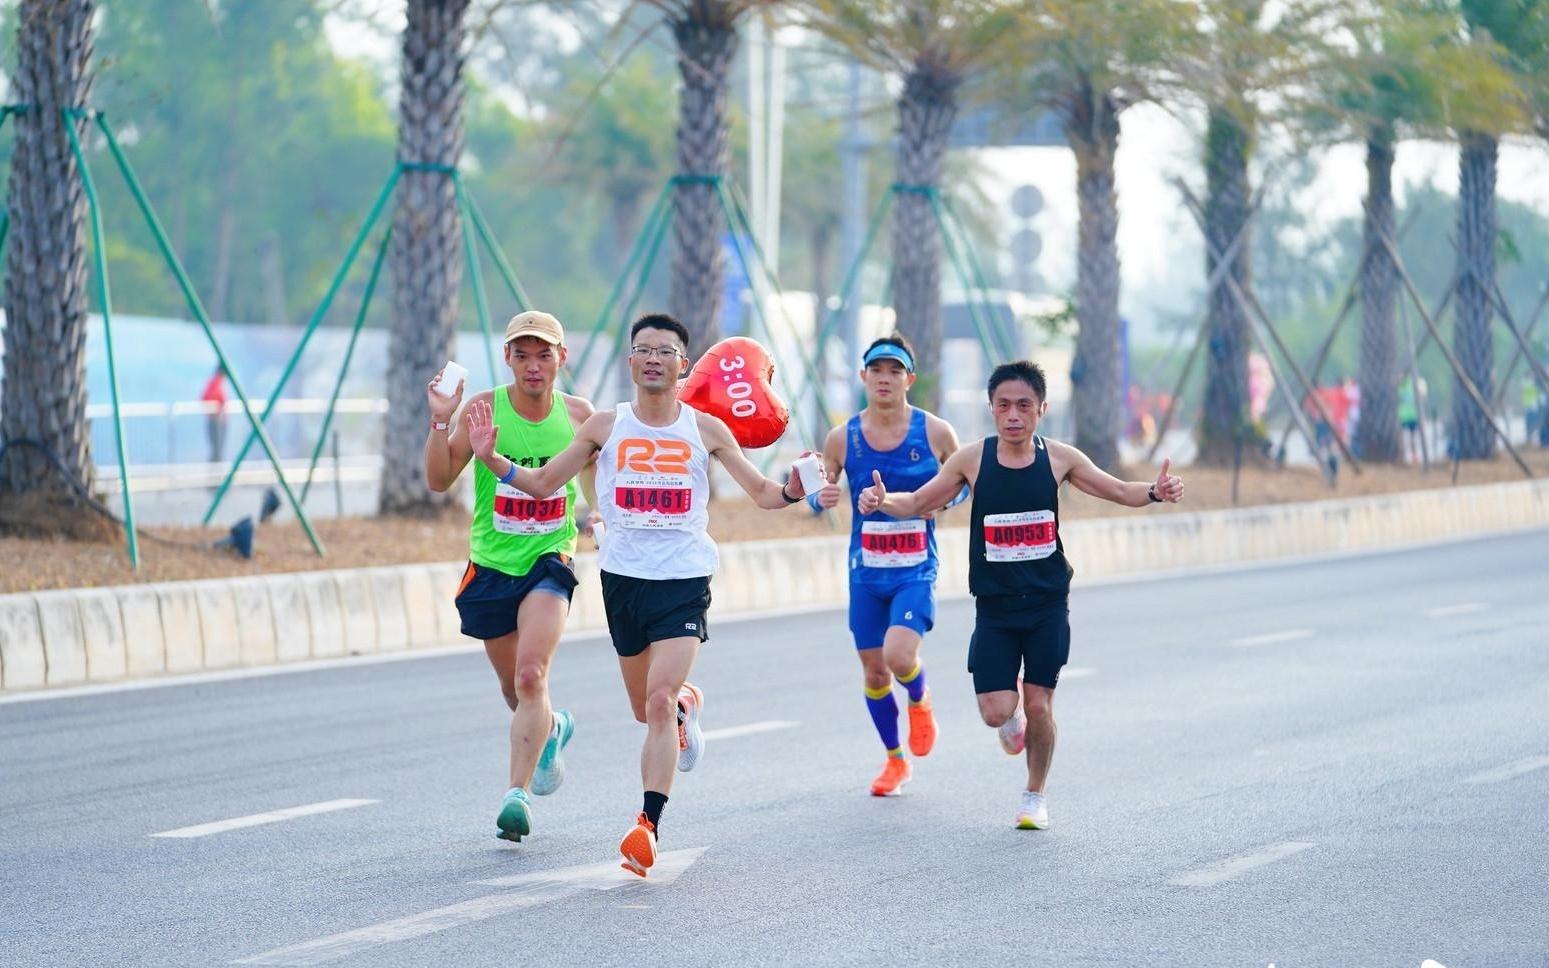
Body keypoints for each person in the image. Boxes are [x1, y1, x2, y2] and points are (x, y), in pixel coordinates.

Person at [466, 312, 840, 876]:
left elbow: (764, 493)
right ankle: (687, 706)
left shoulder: (706, 430)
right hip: (624, 580)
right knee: (646, 709)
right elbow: (543, 485)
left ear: (683, 365)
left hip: (684, 580)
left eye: (665, 351)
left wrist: (795, 489)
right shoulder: (604, 426)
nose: (654, 359)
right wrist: (494, 460)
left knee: (658, 701)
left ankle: (647, 826)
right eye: (644, 349)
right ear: (631, 362)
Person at [858, 360, 1183, 831]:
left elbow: (1117, 490)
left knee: (1039, 704)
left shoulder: (1060, 459)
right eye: (1004, 405)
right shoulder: (971, 460)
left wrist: (1155, 491)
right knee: (997, 712)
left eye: (1024, 406)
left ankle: (1034, 796)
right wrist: (881, 501)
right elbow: (918, 502)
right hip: (995, 609)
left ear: (1041, 409)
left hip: (1047, 604)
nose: (1014, 415)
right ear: (991, 408)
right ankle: (1011, 723)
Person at [424, 310, 600, 844]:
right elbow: (437, 480)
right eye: (522, 355)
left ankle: (515, 796)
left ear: (562, 358)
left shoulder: (579, 415)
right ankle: (552, 728)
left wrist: (599, 515)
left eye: (544, 355)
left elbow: (596, 486)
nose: (533, 366)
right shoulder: (483, 409)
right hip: (493, 565)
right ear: (507, 358)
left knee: (530, 676)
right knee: (514, 690)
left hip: (550, 560)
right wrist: (440, 420)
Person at [812, 335, 961, 796]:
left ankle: (919, 696)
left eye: (895, 370)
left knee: (899, 656)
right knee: (875, 672)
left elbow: (965, 483)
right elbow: (817, 491)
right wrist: (821, 497)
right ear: (863, 377)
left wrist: (943, 502)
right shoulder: (842, 438)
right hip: (866, 571)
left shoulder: (936, 432)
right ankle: (895, 760)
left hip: (916, 567)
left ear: (909, 379)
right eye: (876, 370)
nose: (884, 378)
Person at [200, 366, 227, 465]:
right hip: (216, 420)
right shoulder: (216, 383)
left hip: (215, 419)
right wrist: (218, 410)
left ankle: (216, 467)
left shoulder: (214, 382)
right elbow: (216, 398)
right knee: (217, 448)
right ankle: (216, 469)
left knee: (216, 447)